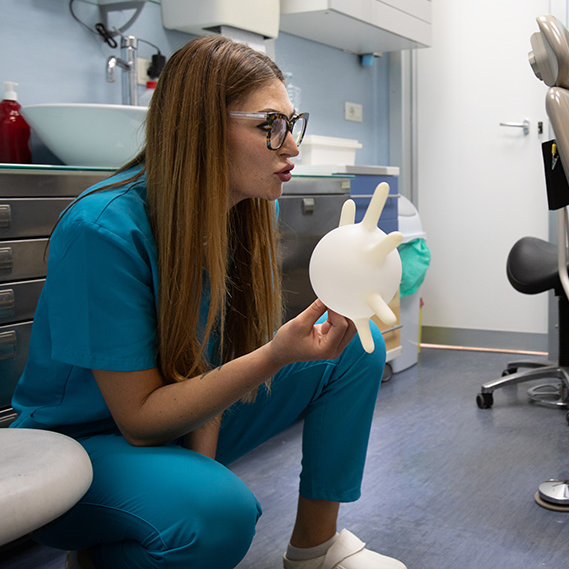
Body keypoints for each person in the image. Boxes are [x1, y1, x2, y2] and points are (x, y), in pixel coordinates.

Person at [11, 36, 405, 569]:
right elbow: (140, 421)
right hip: (81, 447)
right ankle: (101, 555)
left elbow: (211, 364)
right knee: (220, 514)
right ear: (201, 127)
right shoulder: (102, 231)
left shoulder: (242, 211)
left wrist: (197, 470)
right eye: (270, 126)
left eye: (292, 123)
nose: (292, 147)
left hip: (171, 420)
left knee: (357, 346)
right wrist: (274, 356)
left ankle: (315, 550)